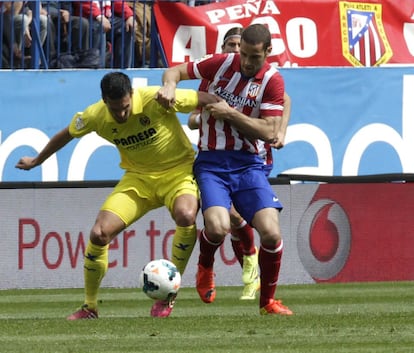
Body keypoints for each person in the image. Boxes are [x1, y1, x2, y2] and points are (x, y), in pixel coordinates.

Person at [15, 71, 219, 319]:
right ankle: (90, 307)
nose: (121, 115)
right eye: (115, 110)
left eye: (125, 108)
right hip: (137, 180)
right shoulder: (94, 115)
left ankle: (168, 296)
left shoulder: (157, 98)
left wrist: (227, 131)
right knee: (99, 233)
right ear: (104, 101)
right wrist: (37, 160)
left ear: (132, 95)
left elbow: (209, 100)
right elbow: (66, 134)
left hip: (177, 173)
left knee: (186, 215)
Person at [156, 23, 293, 315]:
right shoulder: (221, 63)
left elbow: (268, 131)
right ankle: (205, 266)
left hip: (248, 165)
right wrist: (169, 85)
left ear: (268, 52)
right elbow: (176, 71)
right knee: (217, 227)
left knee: (271, 234)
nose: (245, 61)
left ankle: (267, 301)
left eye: (253, 57)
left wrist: (230, 114)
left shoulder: (272, 80)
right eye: (243, 53)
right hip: (212, 163)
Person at [73, 1, 135, 68]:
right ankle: (99, 69)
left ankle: (123, 69)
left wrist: (129, 16)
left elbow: (118, 2)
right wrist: (99, 16)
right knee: (99, 26)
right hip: (87, 19)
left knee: (125, 27)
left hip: (107, 19)